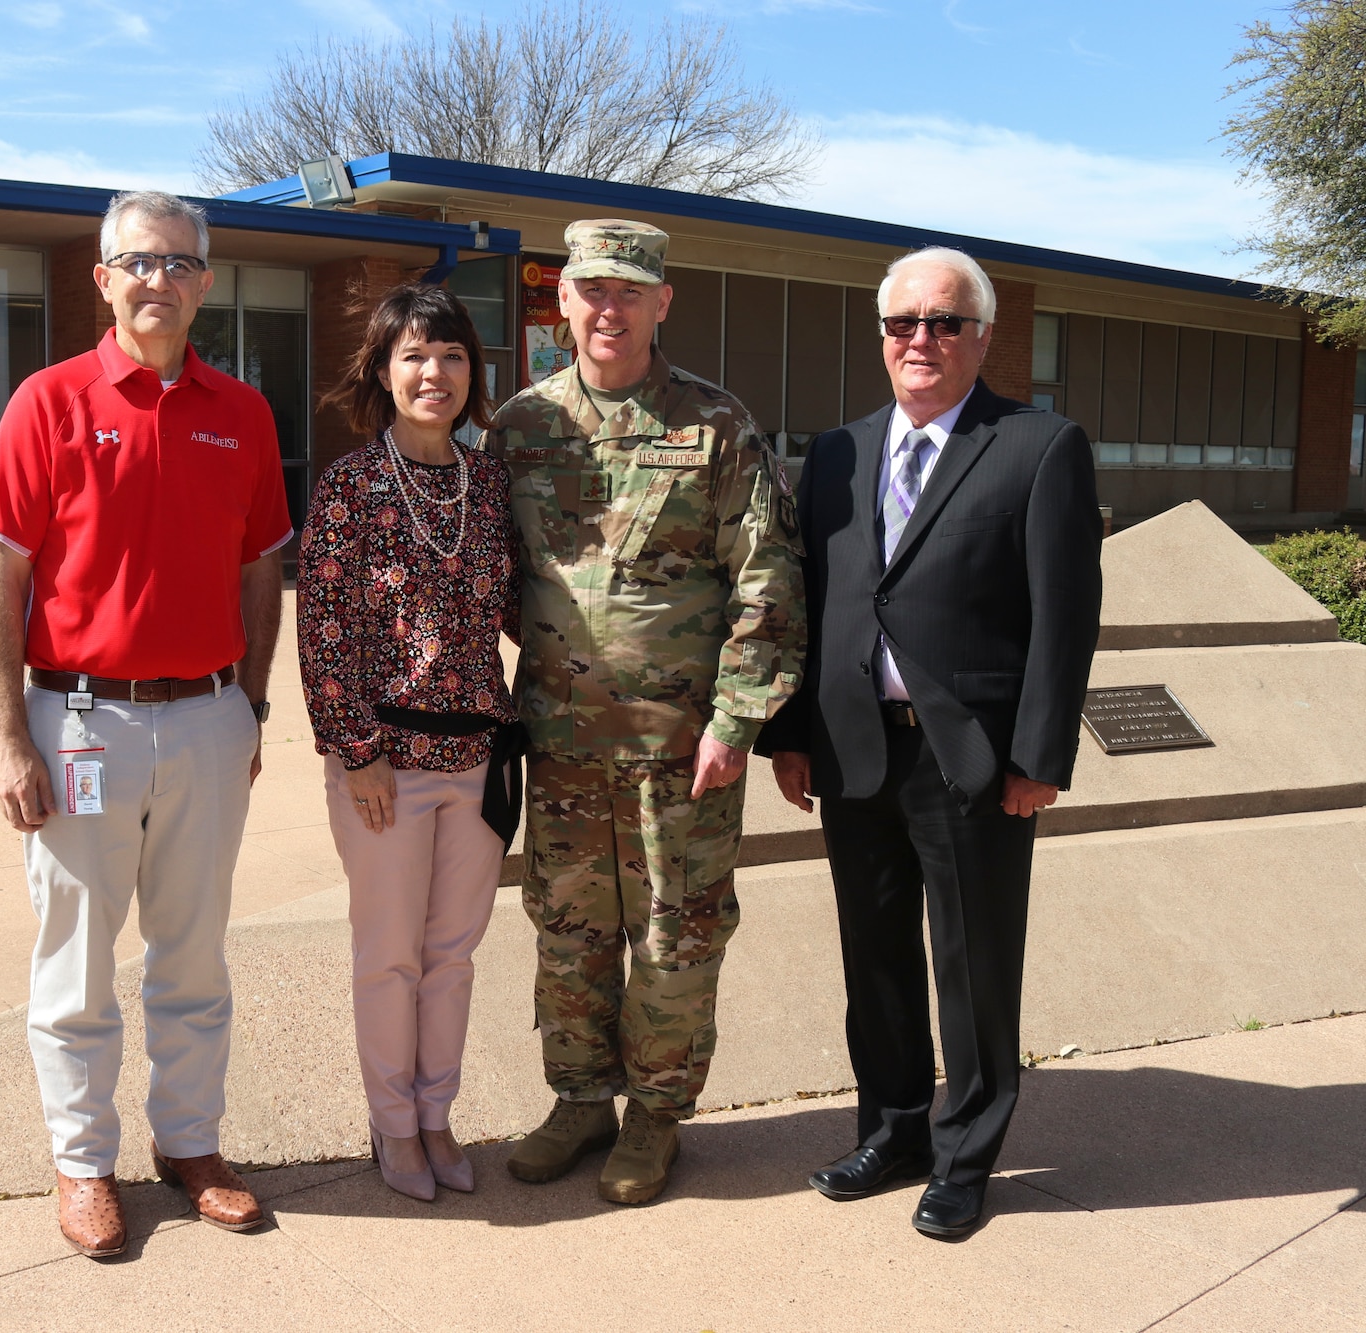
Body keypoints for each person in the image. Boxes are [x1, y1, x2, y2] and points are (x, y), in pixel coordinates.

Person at [0, 189, 292, 1258]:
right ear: (102, 278)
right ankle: (81, 1163)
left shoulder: (240, 412)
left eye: (181, 263)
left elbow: (261, 571)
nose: (160, 280)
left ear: (206, 281)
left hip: (203, 717)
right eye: (138, 262)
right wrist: (6, 732)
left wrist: (247, 707)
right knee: (76, 959)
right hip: (78, 722)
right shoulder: (48, 402)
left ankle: (191, 1146)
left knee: (192, 954)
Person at [755, 246, 1103, 1239]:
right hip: (853, 750)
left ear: (981, 336)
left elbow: (1063, 614)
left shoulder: (1038, 446)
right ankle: (894, 1127)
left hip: (973, 760)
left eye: (944, 322)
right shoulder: (835, 452)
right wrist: (790, 735)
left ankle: (964, 1155)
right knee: (874, 962)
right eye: (902, 322)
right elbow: (808, 603)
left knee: (972, 967)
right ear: (879, 336)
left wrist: (1039, 757)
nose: (921, 339)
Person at [488, 219, 805, 1205]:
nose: (607, 308)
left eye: (628, 291)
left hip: (681, 751)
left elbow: (767, 583)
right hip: (563, 744)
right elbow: (493, 579)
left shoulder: (715, 426)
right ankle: (579, 1099)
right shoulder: (519, 428)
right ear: (563, 300)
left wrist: (735, 718)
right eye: (590, 289)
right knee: (568, 931)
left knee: (674, 937)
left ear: (661, 301)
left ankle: (655, 1116)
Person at [298, 282, 522, 1202]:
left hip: (480, 762)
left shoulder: (492, 482)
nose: (437, 373)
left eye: (454, 355)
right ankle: (393, 1126)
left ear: (474, 372)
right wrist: (357, 751)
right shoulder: (349, 488)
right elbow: (324, 629)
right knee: (389, 954)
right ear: (385, 373)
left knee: (453, 955)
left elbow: (524, 609)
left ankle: (437, 1114)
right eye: (416, 357)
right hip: (385, 767)